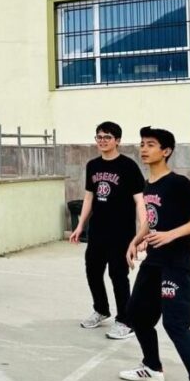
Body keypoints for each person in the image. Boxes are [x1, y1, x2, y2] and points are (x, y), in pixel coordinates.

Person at [119, 126, 190, 381]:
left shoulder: (178, 183)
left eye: (151, 144)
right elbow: (152, 219)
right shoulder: (150, 185)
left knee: (176, 325)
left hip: (175, 264)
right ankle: (152, 367)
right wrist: (135, 240)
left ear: (166, 151)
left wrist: (171, 235)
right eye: (142, 144)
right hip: (154, 261)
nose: (144, 148)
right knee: (136, 314)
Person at [69, 121, 146, 339]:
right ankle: (101, 309)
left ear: (118, 140)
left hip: (121, 232)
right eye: (99, 137)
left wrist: (142, 232)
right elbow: (89, 197)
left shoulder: (128, 166)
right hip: (98, 231)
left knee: (118, 275)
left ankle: (125, 320)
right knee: (92, 270)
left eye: (107, 137)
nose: (102, 141)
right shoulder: (92, 165)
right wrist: (80, 225)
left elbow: (140, 201)